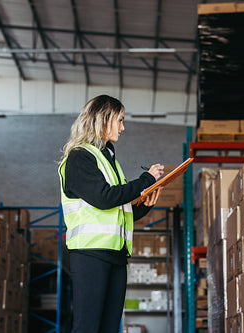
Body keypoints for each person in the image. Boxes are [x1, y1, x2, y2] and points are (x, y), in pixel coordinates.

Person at [58, 95, 165, 333]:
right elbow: (104, 198)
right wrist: (146, 179)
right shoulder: (80, 157)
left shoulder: (109, 159)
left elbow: (119, 210)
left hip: (115, 256)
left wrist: (145, 203)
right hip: (90, 255)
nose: (123, 127)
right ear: (102, 119)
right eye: (120, 120)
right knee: (88, 328)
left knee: (108, 328)